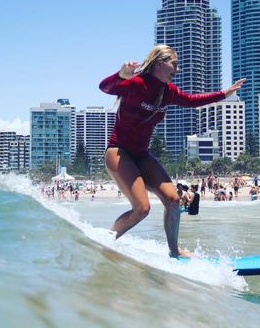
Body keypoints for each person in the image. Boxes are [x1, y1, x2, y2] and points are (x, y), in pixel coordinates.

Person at [100, 45, 245, 257]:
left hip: (142, 154)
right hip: (119, 152)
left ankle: (174, 251)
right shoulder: (137, 83)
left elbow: (192, 101)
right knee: (142, 208)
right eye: (173, 64)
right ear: (159, 63)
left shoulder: (169, 92)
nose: (176, 69)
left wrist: (224, 93)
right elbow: (105, 87)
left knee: (173, 200)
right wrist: (121, 75)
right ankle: (105, 241)